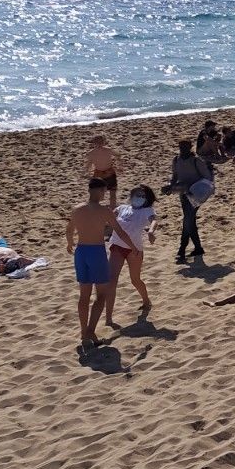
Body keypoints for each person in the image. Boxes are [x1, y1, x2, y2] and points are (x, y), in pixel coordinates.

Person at [66, 177, 117, 348]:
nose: (104, 194)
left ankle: (83, 332)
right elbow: (119, 230)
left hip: (81, 252)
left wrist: (69, 243)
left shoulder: (77, 209)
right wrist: (133, 246)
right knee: (101, 295)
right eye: (104, 191)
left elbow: (69, 229)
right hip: (96, 251)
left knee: (84, 294)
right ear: (100, 190)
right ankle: (90, 331)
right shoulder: (104, 210)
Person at [103, 185, 157, 325]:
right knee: (111, 281)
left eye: (142, 196)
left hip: (135, 250)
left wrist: (151, 231)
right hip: (117, 246)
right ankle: (108, 318)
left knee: (135, 279)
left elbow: (154, 220)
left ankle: (146, 301)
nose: (138, 198)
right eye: (136, 195)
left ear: (147, 198)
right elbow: (109, 217)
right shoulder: (122, 208)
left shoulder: (147, 210)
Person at [86, 135, 121, 206]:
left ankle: (110, 208)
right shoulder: (92, 153)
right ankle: (110, 208)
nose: (99, 143)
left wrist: (119, 166)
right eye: (97, 142)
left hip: (106, 173)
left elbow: (89, 164)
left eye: (100, 142)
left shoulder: (92, 153)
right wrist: (87, 172)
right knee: (106, 193)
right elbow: (118, 155)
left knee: (111, 193)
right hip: (102, 174)